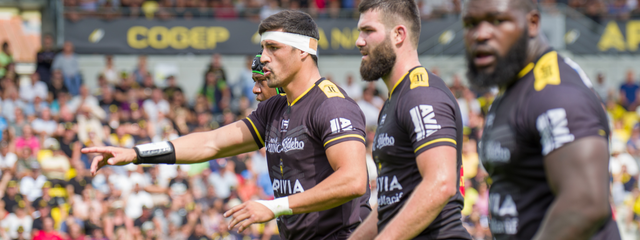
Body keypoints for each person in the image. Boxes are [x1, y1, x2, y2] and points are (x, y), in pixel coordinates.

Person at [83, 10, 369, 240]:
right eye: (263, 47)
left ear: (303, 52)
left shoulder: (331, 104)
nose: (264, 57)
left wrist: (273, 207)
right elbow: (211, 143)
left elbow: (354, 180)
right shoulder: (275, 108)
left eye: (273, 47)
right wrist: (135, 153)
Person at [462, 0, 621, 239]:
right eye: (471, 24)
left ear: (533, 23)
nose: (481, 34)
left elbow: (585, 203)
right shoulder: (513, 88)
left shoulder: (555, 92)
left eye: (497, 21)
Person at [349, 0, 470, 239]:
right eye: (359, 31)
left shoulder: (421, 94)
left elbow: (441, 182)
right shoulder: (396, 99)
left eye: (369, 31)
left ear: (399, 34)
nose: (359, 41)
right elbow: (389, 206)